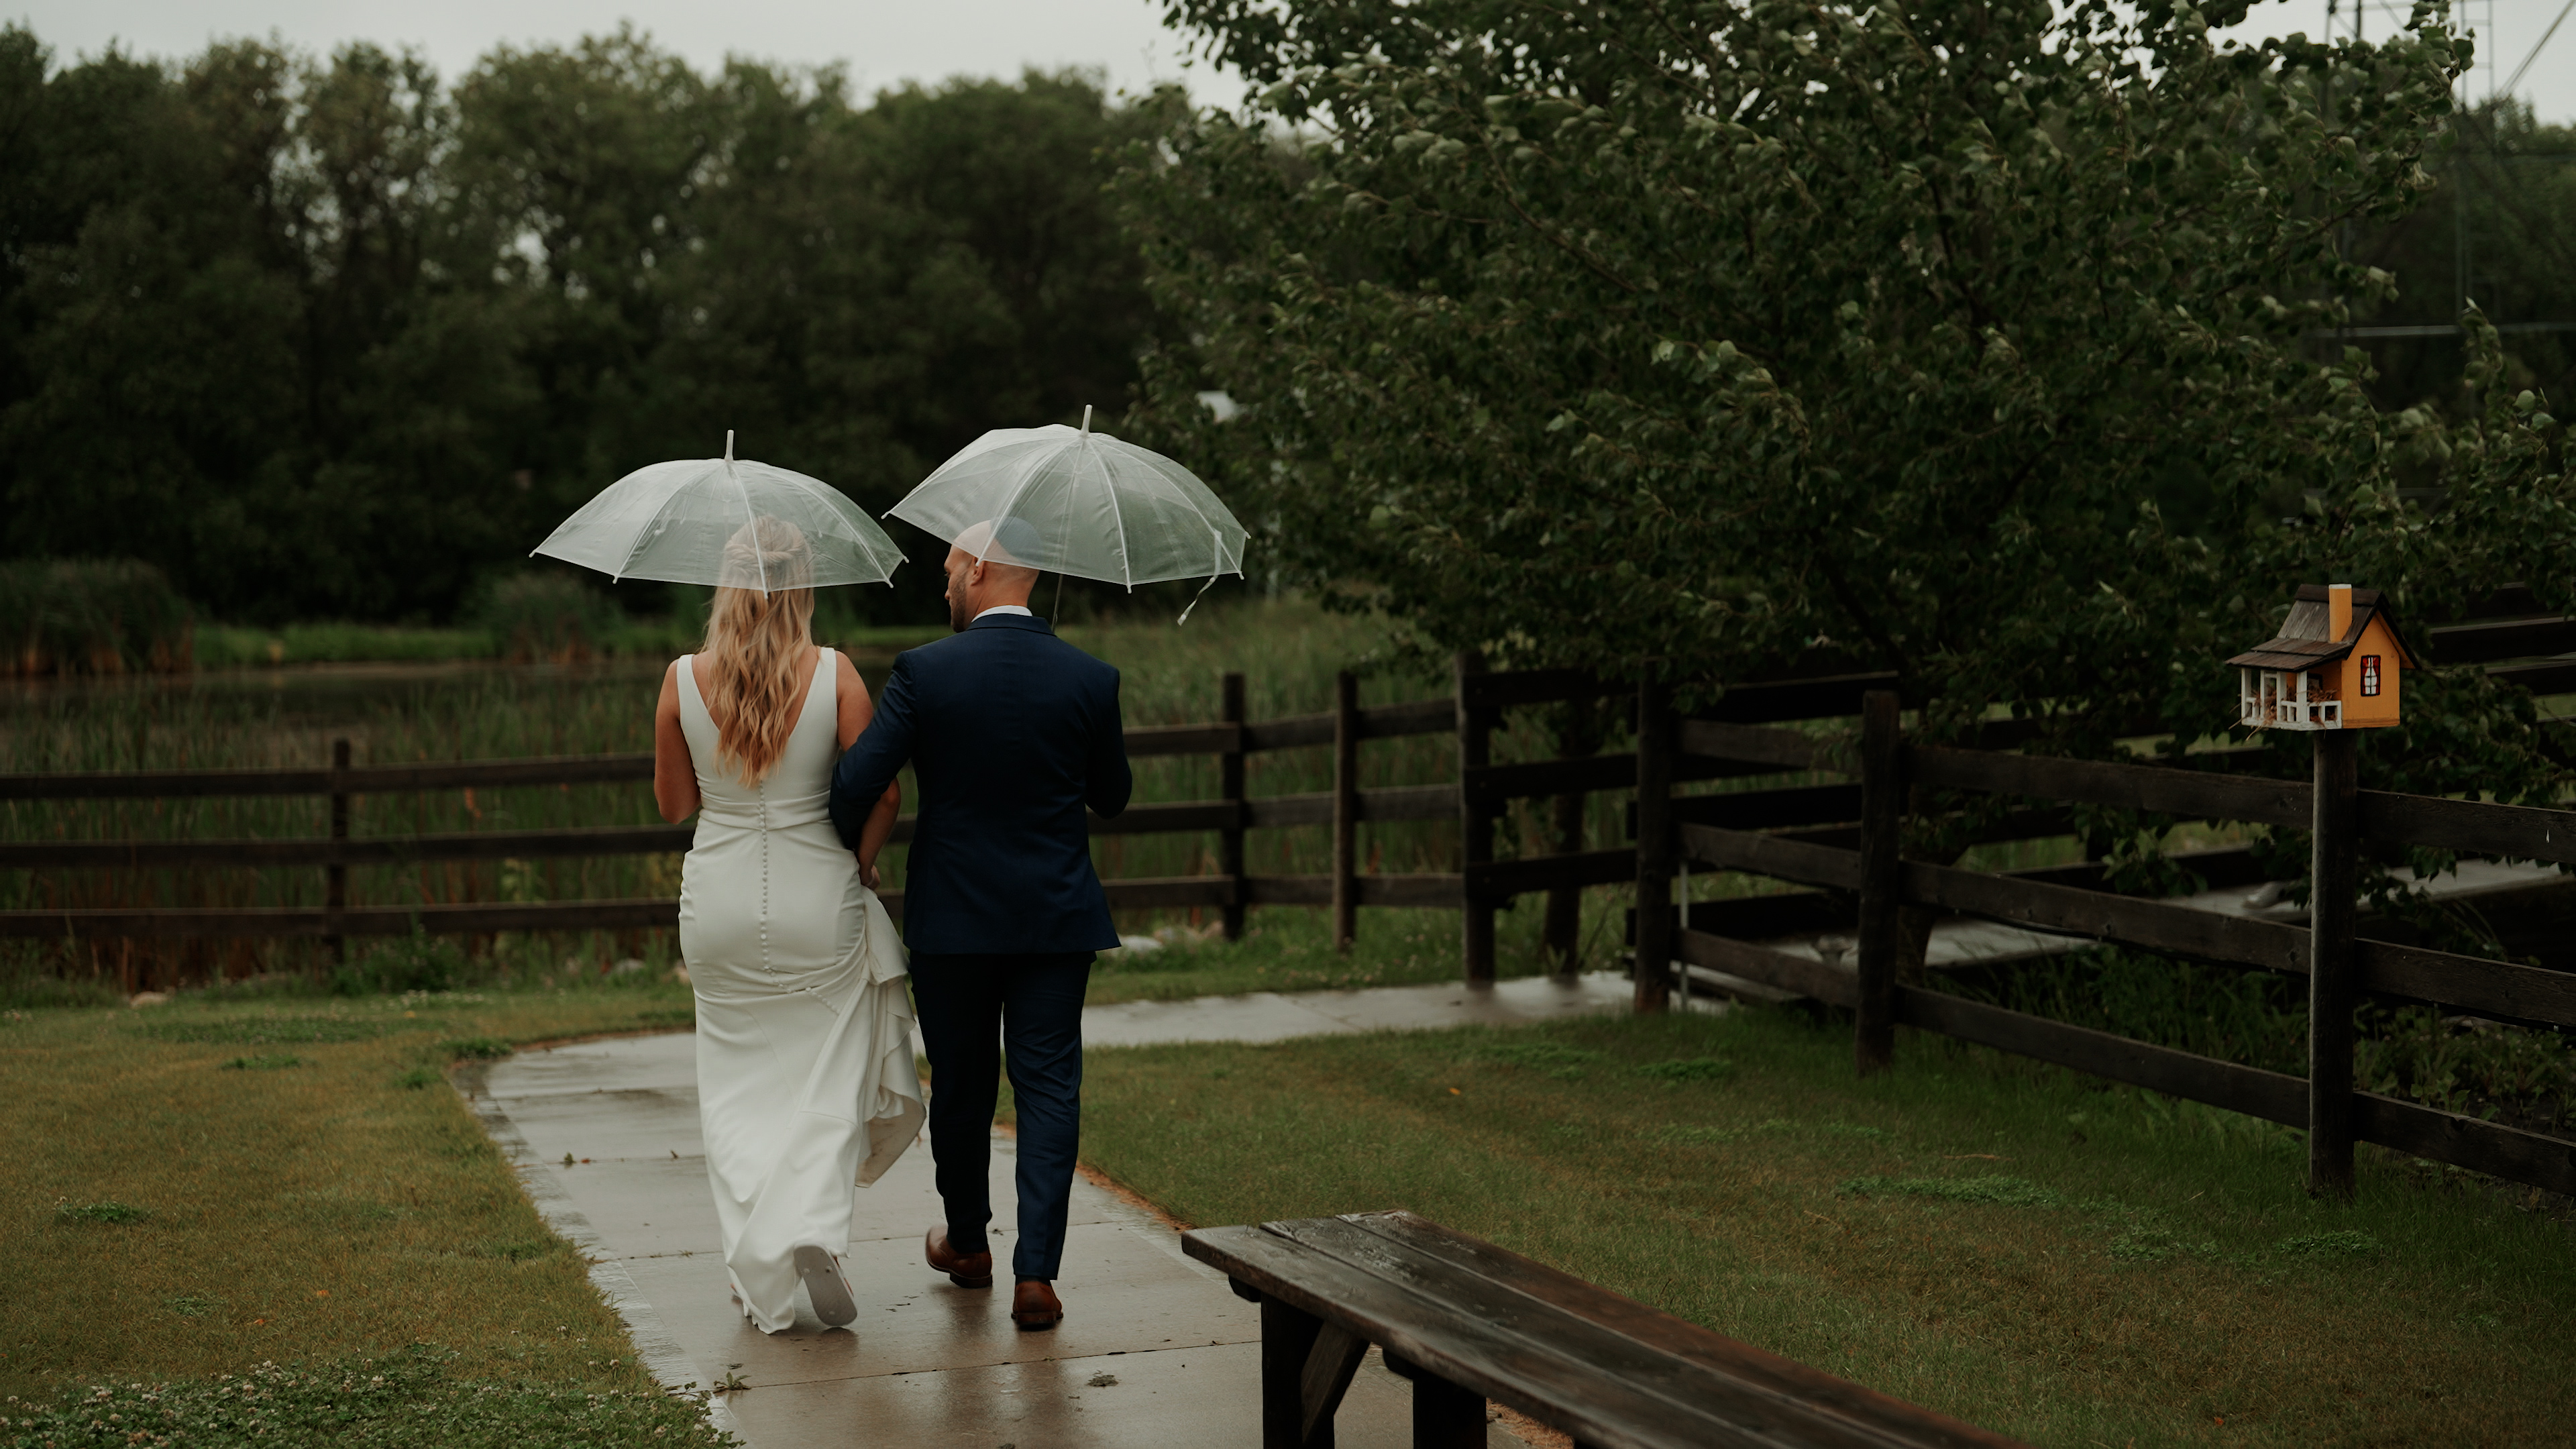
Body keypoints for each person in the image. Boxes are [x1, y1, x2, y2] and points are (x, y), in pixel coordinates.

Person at [826, 517, 1130, 1331]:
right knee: (1049, 1087)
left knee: (962, 1085)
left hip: (954, 918)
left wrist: (844, 849)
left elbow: (859, 779)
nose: (946, 583)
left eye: (952, 567)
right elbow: (1113, 796)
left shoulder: (926, 671)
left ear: (984, 570)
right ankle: (1038, 1277)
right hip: (1057, 918)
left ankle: (967, 1244)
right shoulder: (1090, 676)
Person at [652, 516, 924, 1335]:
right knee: (827, 1077)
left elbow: (675, 806)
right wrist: (864, 862)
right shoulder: (835, 673)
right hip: (817, 899)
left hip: (720, 906)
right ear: (803, 586)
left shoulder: (681, 678)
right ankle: (812, 1224)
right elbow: (885, 791)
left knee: (736, 1092)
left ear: (726, 584)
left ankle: (757, 1272)